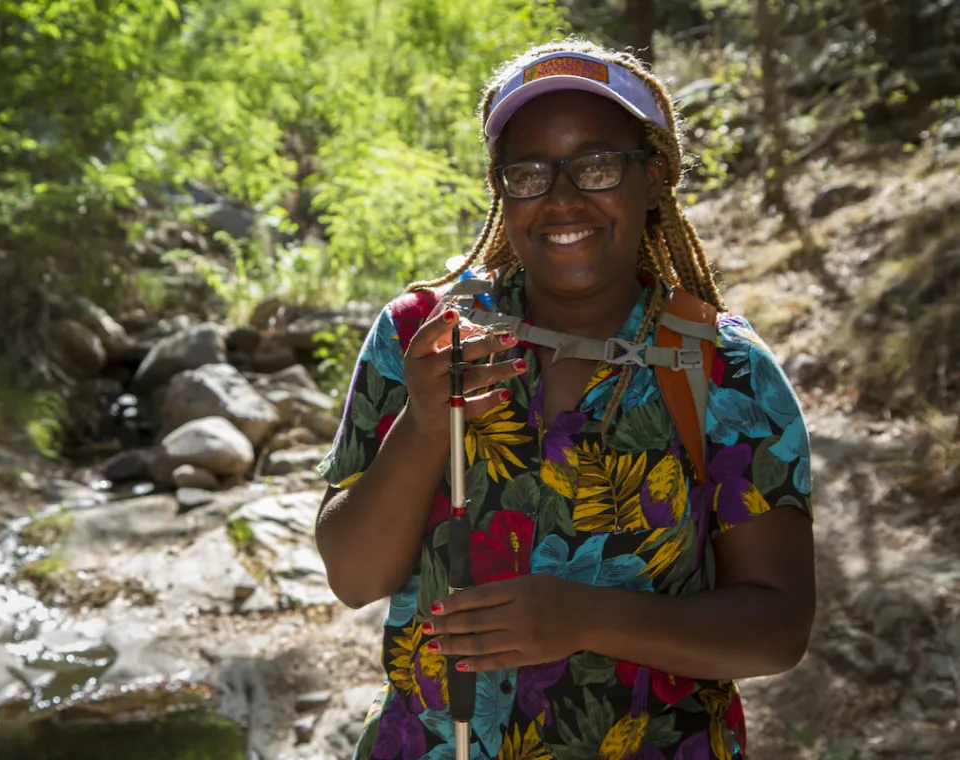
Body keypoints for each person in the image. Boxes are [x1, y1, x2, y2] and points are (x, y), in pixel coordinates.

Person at [314, 37, 815, 760]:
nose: (562, 197)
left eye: (598, 164)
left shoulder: (723, 368)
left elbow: (779, 625)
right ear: (500, 190)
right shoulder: (421, 334)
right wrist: (426, 425)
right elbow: (353, 577)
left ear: (654, 181)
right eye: (529, 173)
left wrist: (583, 618)